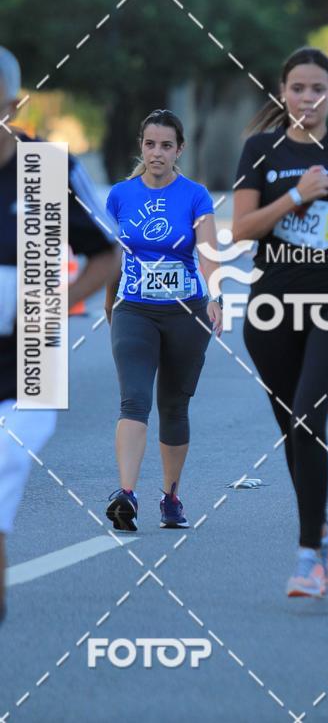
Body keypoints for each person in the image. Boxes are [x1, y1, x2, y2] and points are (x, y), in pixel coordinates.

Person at [232, 47, 328, 598]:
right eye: (298, 88)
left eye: (318, 89)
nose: (307, 99)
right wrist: (295, 195)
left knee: (309, 414)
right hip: (270, 305)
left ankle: (310, 555)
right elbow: (241, 228)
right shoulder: (260, 149)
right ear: (282, 93)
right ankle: (316, 524)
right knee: (293, 426)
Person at [0, 46, 118, 623]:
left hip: (30, 360)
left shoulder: (43, 168)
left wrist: (49, 304)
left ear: (13, 105)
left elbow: (109, 254)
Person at [104, 109, 222, 532]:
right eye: (150, 144)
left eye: (166, 145)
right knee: (134, 399)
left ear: (179, 150)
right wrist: (108, 303)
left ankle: (171, 497)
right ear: (141, 146)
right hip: (134, 310)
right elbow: (111, 257)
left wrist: (216, 297)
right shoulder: (120, 195)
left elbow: (207, 250)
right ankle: (127, 495)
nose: (157, 153)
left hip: (186, 312)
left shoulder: (195, 195)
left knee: (174, 404)